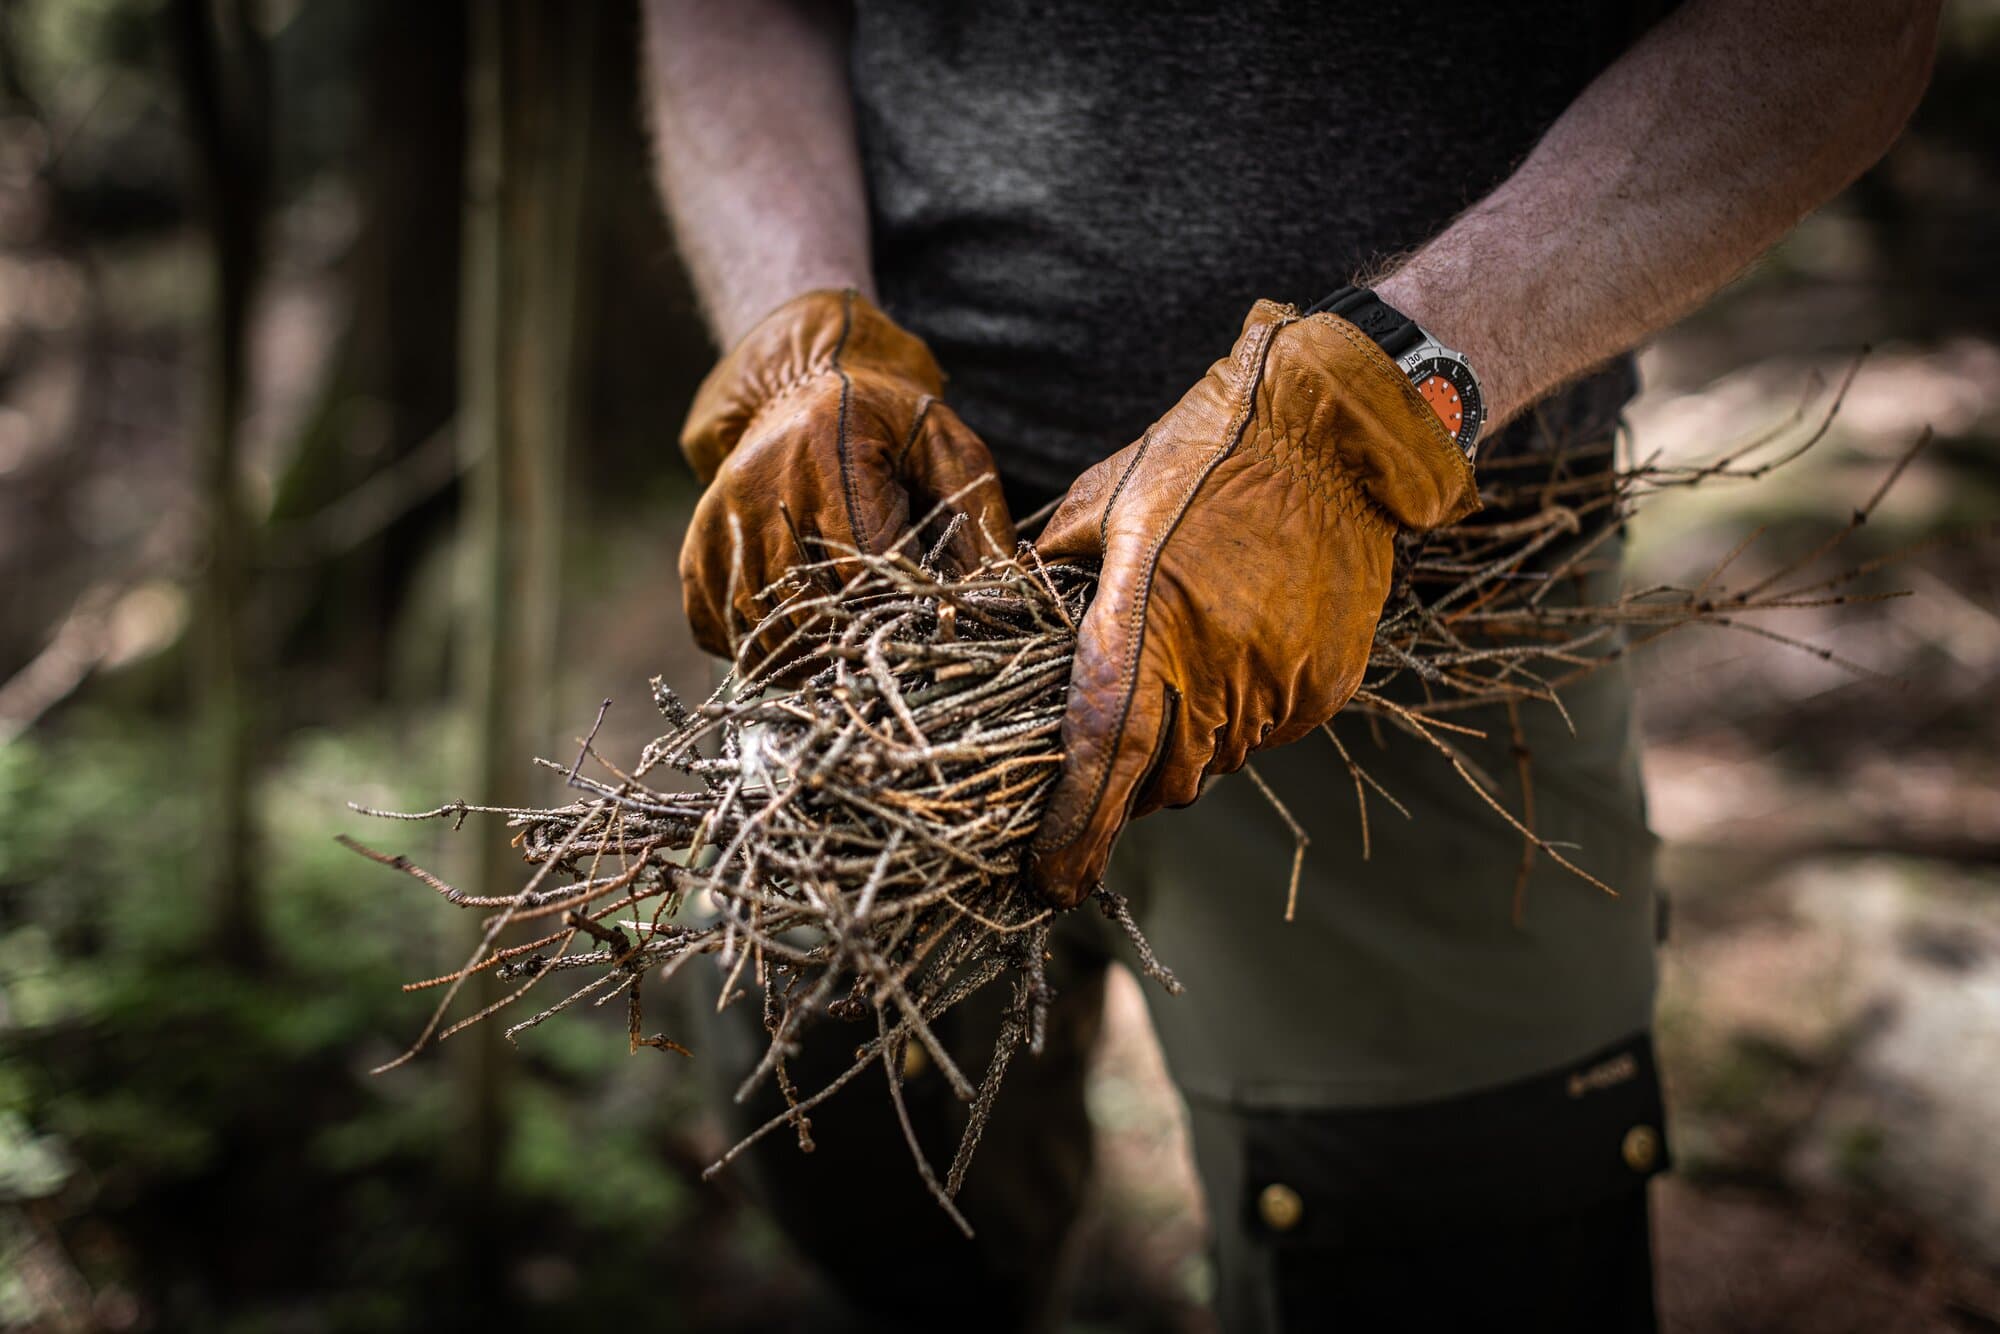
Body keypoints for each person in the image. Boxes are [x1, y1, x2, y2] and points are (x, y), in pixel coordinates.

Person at [642, 3, 1938, 1330]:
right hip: (895, 557)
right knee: (850, 1149)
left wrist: (1385, 396)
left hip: (1414, 576)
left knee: (1438, 1249)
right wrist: (798, 332)